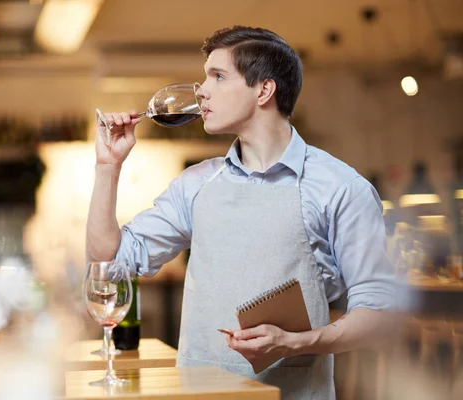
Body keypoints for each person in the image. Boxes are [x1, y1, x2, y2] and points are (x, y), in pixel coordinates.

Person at [86, 26, 395, 400]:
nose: (201, 90)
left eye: (217, 76)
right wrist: (108, 168)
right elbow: (109, 261)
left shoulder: (342, 188)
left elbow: (378, 314)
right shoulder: (196, 184)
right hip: (199, 394)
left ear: (264, 90)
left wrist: (296, 343)